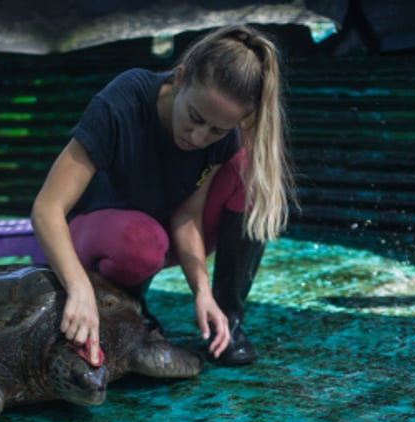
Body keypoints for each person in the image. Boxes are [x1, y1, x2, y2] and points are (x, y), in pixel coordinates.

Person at [31, 23, 294, 367]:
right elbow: (47, 208)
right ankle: (127, 307)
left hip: (160, 237)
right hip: (97, 235)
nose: (198, 138)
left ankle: (227, 317)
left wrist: (201, 292)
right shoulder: (124, 100)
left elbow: (187, 216)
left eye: (216, 130)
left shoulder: (221, 138)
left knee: (254, 173)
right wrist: (78, 287)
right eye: (195, 118)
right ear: (181, 77)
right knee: (143, 239)